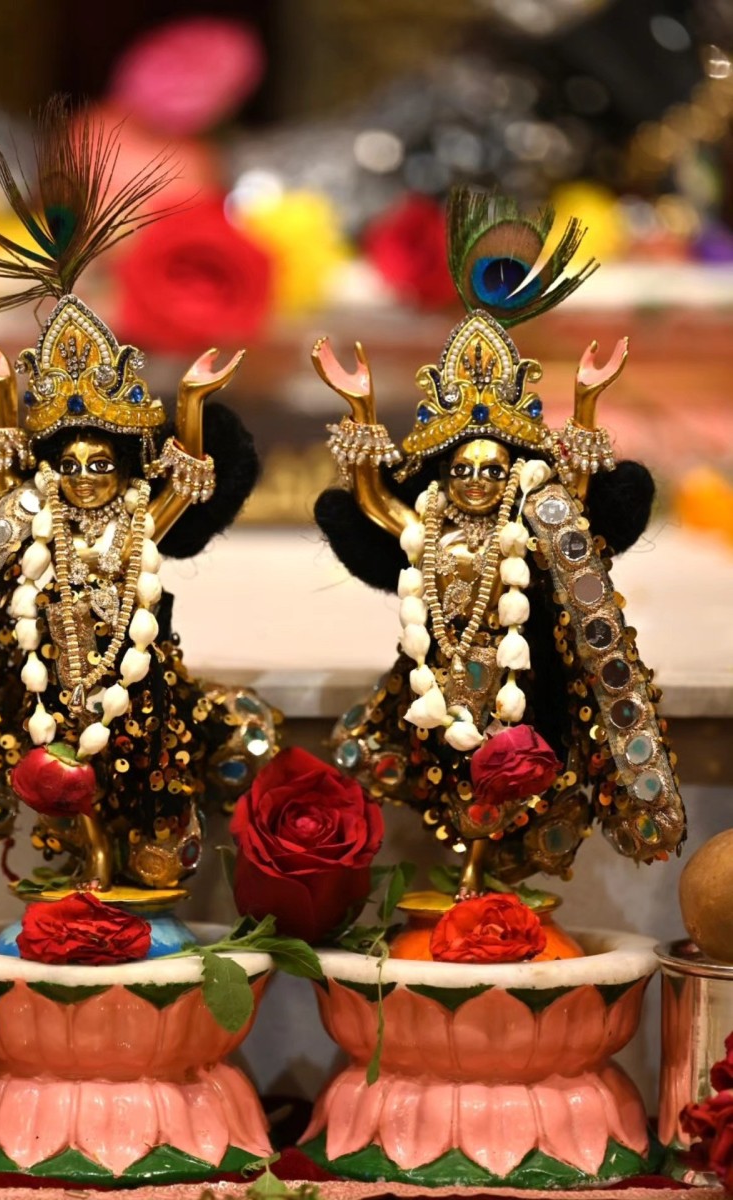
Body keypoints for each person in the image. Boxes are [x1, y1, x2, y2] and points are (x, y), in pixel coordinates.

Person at [0, 105, 275, 895]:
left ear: (125, 465)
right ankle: (81, 878)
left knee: (144, 814)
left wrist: (194, 404)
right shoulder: (36, 519)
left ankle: (120, 877)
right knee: (62, 807)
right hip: (47, 697)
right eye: (69, 464)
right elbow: (4, 487)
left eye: (101, 462)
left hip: (136, 696)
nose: (85, 476)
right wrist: (0, 397)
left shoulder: (140, 518)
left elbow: (184, 482)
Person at [314, 189, 684, 893]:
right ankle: (469, 881)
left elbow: (577, 508)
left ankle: (487, 884)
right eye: (463, 470)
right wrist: (358, 407)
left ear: (511, 475)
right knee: (447, 781)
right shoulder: (426, 526)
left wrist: (587, 401)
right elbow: (372, 502)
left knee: (516, 785)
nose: (477, 481)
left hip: (520, 690)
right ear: (443, 475)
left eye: (492, 470)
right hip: (435, 688)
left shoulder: (531, 526)